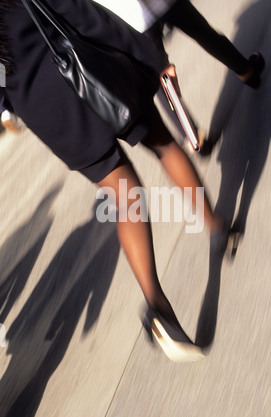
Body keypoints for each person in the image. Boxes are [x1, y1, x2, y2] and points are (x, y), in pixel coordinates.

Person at [0, 0, 223, 362]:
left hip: (49, 114)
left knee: (126, 195)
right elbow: (81, 14)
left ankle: (158, 306)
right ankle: (216, 228)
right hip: (94, 74)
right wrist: (149, 56)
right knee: (163, 144)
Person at [94, 0, 265, 152]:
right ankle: (247, 72)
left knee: (160, 77)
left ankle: (191, 135)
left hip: (126, 15)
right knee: (203, 32)